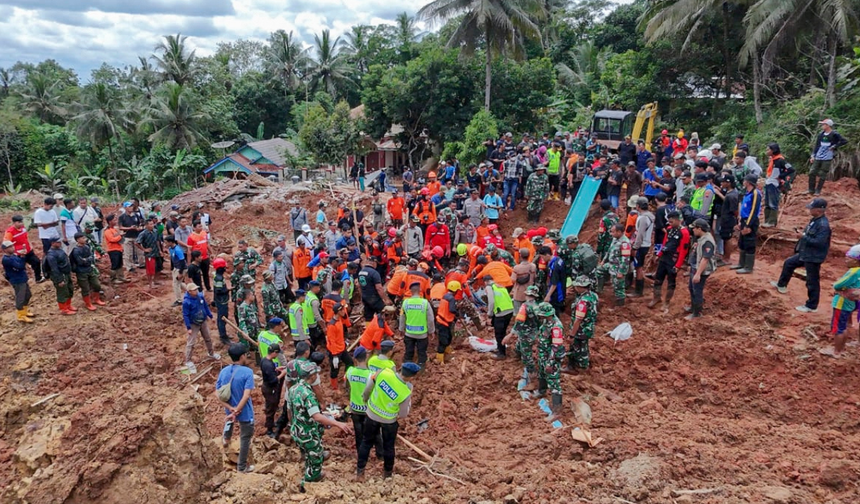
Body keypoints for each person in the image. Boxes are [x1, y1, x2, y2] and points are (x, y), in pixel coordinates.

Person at [289, 359, 353, 488]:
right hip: (307, 432)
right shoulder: (308, 394)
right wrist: (337, 423)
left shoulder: (294, 389)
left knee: (308, 452)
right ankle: (311, 480)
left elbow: (291, 410)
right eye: (316, 374)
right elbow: (317, 416)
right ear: (312, 376)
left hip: (297, 429)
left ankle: (309, 469)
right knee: (315, 456)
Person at [356, 361, 419, 480]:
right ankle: (387, 474)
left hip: (371, 414)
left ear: (400, 369)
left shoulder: (384, 372)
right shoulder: (405, 391)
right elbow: (403, 414)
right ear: (412, 376)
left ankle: (360, 472)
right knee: (389, 447)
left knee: (366, 442)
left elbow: (369, 387)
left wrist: (365, 398)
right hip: (389, 421)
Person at [770, 198, 831, 313]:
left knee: (812, 281)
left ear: (818, 210)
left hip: (813, 257)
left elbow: (819, 242)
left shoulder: (823, 225)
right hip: (806, 253)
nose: (809, 210)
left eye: (812, 208)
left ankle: (811, 306)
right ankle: (781, 285)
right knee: (789, 263)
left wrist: (803, 237)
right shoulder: (815, 220)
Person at [216, 343, 256, 473]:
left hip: (230, 409)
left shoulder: (224, 371)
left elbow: (218, 394)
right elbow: (246, 395)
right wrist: (237, 410)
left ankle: (226, 438)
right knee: (245, 437)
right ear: (242, 356)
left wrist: (231, 409)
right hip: (244, 411)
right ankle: (242, 467)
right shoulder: (248, 372)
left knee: (229, 421)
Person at [648, 211, 689, 311]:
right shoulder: (669, 229)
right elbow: (665, 243)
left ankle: (666, 302)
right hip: (664, 257)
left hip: (673, 259)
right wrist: (659, 255)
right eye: (669, 222)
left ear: (678, 220)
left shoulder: (684, 232)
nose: (670, 224)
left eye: (671, 222)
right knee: (658, 278)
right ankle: (656, 297)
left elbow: (683, 251)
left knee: (671, 281)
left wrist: (678, 265)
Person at [826, 245, 860, 357]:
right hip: (850, 303)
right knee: (843, 326)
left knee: (838, 328)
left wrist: (837, 285)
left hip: (842, 303)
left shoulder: (853, 271)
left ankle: (837, 352)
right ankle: (841, 349)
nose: (846, 259)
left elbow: (838, 285)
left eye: (849, 257)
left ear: (856, 260)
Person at [535, 302, 565, 420]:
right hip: (543, 355)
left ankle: (557, 411)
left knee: (553, 382)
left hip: (551, 357)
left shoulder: (556, 327)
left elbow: (556, 347)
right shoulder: (546, 322)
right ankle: (541, 391)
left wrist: (550, 362)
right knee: (542, 373)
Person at [183, 282, 219, 372]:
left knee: (208, 338)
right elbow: (185, 315)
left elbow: (205, 307)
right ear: (189, 291)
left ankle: (211, 353)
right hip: (193, 324)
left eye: (196, 289)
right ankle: (188, 361)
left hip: (203, 321)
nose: (196, 291)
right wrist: (189, 328)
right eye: (194, 290)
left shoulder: (200, 297)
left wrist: (210, 316)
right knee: (191, 342)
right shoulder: (186, 302)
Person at [686, 220, 717, 320]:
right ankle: (693, 307)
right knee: (691, 288)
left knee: (697, 291)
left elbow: (705, 259)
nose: (693, 230)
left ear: (699, 229)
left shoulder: (707, 241)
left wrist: (698, 274)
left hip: (702, 270)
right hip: (695, 266)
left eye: (694, 228)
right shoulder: (701, 238)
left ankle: (697, 313)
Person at [399, 282, 434, 369]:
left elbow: (402, 317)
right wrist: (431, 331)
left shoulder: (405, 303)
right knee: (422, 353)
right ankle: (421, 369)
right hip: (422, 334)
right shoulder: (425, 303)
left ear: (410, 291)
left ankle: (406, 369)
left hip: (409, 333)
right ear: (420, 290)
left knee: (408, 352)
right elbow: (430, 319)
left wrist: (401, 329)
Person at [595, 224, 631, 307]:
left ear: (619, 232)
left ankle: (620, 304)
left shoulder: (625, 243)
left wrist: (621, 272)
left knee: (618, 285)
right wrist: (603, 261)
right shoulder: (615, 239)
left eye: (613, 232)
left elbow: (625, 259)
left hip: (618, 267)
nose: (611, 234)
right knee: (599, 270)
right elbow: (609, 251)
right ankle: (599, 290)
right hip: (611, 264)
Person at [809, 119, 848, 195]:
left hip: (827, 157)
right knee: (812, 172)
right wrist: (813, 155)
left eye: (823, 124)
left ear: (827, 125)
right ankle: (811, 190)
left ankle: (818, 191)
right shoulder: (821, 134)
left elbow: (844, 141)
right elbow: (817, 145)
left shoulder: (834, 134)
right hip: (818, 156)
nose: (822, 126)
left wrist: (834, 146)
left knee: (823, 173)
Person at [567, 276, 598, 371]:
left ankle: (578, 366)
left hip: (581, 329)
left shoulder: (582, 302)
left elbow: (578, 320)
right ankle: (584, 364)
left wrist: (571, 335)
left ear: (581, 287)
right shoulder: (593, 295)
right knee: (584, 346)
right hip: (589, 326)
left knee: (577, 347)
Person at [733, 175, 763, 274]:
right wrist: (740, 221)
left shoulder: (755, 193)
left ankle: (748, 267)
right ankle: (741, 263)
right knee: (742, 242)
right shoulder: (747, 193)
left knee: (749, 243)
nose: (743, 182)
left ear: (748, 182)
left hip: (750, 221)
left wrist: (748, 225)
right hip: (744, 220)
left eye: (745, 180)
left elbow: (754, 210)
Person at [69, 232, 105, 311]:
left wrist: (87, 259)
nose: (85, 239)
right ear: (78, 240)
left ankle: (96, 299)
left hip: (89, 269)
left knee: (97, 285)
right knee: (85, 288)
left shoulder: (87, 247)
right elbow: (80, 262)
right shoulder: (76, 250)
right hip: (81, 272)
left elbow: (92, 257)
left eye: (84, 238)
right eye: (82, 238)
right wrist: (88, 259)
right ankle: (88, 303)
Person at [4, 215, 43, 283]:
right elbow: (6, 244)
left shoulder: (23, 228)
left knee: (36, 262)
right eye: (19, 222)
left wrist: (30, 245)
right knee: (20, 268)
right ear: (14, 223)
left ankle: (38, 278)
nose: (21, 223)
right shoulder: (10, 232)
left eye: (21, 222)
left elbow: (26, 237)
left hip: (28, 251)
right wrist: (14, 253)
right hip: (19, 254)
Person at [2, 240, 34, 322]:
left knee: (27, 295)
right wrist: (22, 257)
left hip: (22, 278)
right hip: (17, 280)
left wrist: (22, 256)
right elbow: (20, 266)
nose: (13, 248)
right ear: (5, 250)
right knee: (20, 297)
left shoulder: (13, 255)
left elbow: (19, 263)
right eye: (10, 247)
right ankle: (21, 315)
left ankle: (24, 311)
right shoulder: (6, 259)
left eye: (12, 246)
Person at [260, 342, 287, 437]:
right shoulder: (268, 364)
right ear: (274, 352)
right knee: (270, 409)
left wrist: (276, 369)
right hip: (270, 389)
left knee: (272, 406)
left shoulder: (265, 360)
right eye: (277, 353)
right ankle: (269, 430)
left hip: (267, 387)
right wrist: (282, 374)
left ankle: (270, 424)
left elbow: (268, 372)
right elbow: (273, 380)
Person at [44, 237, 76, 315]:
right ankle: (63, 309)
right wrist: (59, 280)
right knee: (62, 292)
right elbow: (54, 269)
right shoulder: (51, 255)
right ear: (52, 243)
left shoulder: (59, 250)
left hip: (66, 273)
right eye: (58, 242)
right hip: (60, 275)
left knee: (69, 289)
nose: (60, 243)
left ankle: (68, 305)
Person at [485, 275, 514, 359]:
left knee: (499, 334)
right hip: (509, 311)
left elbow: (491, 302)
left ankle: (501, 353)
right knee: (503, 331)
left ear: (486, 282)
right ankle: (500, 348)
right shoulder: (500, 286)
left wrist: (490, 314)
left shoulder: (489, 287)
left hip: (501, 312)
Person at [325, 303, 354, 389]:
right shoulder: (331, 325)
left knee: (350, 363)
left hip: (342, 348)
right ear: (338, 312)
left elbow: (347, 322)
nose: (344, 311)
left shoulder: (340, 319)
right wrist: (334, 356)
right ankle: (334, 387)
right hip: (334, 351)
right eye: (342, 310)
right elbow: (332, 341)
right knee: (335, 370)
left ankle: (346, 378)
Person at [629, 198, 653, 298]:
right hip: (645, 244)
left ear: (638, 206)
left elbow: (640, 234)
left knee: (638, 267)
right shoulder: (649, 216)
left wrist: (635, 247)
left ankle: (638, 291)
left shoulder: (643, 218)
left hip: (641, 245)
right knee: (638, 266)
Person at [358, 256, 390, 322]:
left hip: (365, 298)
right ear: (374, 262)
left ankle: (369, 328)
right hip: (374, 298)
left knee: (368, 316)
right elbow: (379, 288)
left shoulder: (361, 272)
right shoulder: (374, 273)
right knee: (382, 314)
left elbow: (359, 286)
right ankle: (381, 327)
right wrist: (386, 299)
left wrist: (362, 296)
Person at [435, 280, 460, 364]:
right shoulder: (451, 299)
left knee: (449, 337)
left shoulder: (445, 296)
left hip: (443, 321)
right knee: (443, 341)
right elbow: (452, 309)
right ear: (455, 290)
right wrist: (457, 313)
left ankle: (447, 350)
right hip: (443, 322)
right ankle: (439, 359)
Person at [762, 142, 785, 228]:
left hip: (774, 183)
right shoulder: (773, 160)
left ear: (773, 150)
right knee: (767, 203)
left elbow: (790, 169)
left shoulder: (780, 160)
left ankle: (772, 222)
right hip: (769, 182)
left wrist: (780, 177)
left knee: (773, 203)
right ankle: (767, 221)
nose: (767, 151)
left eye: (768, 149)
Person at [135, 218, 160, 289]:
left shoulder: (155, 231)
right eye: (150, 224)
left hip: (156, 252)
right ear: (146, 225)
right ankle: (150, 284)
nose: (152, 225)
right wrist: (144, 249)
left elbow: (157, 241)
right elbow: (137, 243)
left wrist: (160, 250)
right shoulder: (143, 233)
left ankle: (154, 281)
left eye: (152, 224)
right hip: (149, 254)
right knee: (150, 270)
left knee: (157, 267)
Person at [118, 202, 143, 272]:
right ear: (125, 208)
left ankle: (142, 264)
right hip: (127, 236)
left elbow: (140, 224)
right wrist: (130, 228)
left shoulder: (136, 215)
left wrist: (138, 228)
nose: (131, 208)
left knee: (140, 251)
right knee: (128, 253)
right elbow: (120, 227)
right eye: (129, 206)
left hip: (136, 235)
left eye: (131, 206)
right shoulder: (122, 217)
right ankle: (129, 267)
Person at [212, 258, 231, 345]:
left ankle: (224, 334)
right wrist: (228, 290)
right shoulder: (219, 278)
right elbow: (218, 291)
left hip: (221, 300)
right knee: (222, 318)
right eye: (224, 267)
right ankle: (223, 336)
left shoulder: (217, 276)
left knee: (222, 318)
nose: (225, 268)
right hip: (221, 301)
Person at [187, 221, 211, 291]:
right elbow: (189, 250)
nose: (201, 227)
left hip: (205, 257)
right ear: (194, 228)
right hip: (196, 259)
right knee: (197, 275)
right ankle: (198, 289)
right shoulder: (191, 237)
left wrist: (211, 252)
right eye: (199, 226)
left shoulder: (204, 233)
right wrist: (189, 262)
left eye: (201, 226)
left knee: (206, 273)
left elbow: (207, 244)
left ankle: (208, 287)